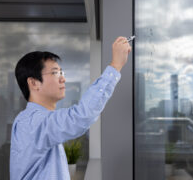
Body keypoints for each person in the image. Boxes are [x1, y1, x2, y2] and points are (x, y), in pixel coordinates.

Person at [10, 37, 132, 180]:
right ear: (33, 83)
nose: (63, 79)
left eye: (62, 73)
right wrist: (115, 66)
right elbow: (80, 117)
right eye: (55, 73)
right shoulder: (31, 122)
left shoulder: (36, 121)